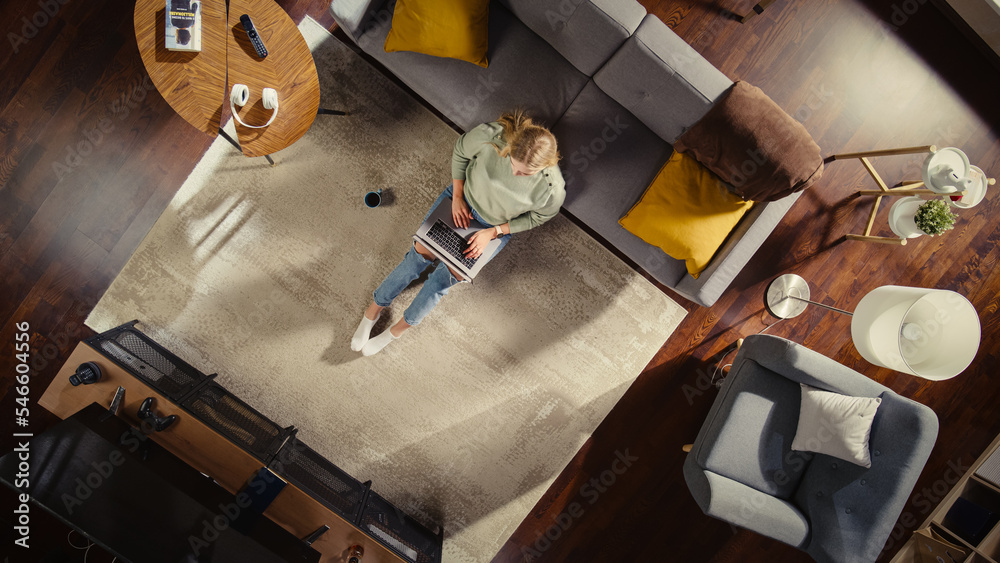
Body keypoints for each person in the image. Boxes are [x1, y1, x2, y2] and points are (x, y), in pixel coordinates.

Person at [351, 110, 566, 356]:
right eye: (512, 165)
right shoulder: (491, 136)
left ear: (545, 167)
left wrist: (493, 232)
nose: (516, 174)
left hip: (492, 229)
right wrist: (456, 196)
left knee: (442, 282)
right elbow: (461, 153)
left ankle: (396, 331)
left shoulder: (552, 190)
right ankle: (372, 312)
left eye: (525, 174)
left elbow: (538, 217)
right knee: (415, 260)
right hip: (460, 201)